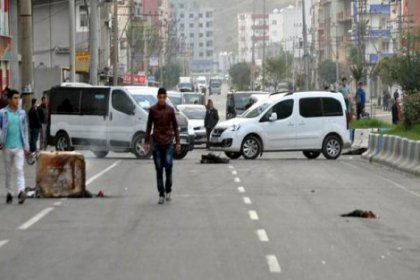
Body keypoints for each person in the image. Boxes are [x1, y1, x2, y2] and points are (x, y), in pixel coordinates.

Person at [144, 88, 180, 205]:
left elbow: (175, 126)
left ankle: (168, 189)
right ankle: (161, 194)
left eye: (164, 97)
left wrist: (178, 142)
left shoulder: (170, 110)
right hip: (157, 144)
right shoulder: (153, 110)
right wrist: (147, 142)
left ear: (166, 98)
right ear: (157, 97)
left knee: (168, 167)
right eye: (160, 97)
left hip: (168, 143)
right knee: (159, 170)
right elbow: (149, 126)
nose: (162, 99)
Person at [0, 89, 29, 204]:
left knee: (19, 169)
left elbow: (25, 130)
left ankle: (21, 191)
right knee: (8, 171)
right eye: (15, 98)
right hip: (7, 146)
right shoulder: (2, 113)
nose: (17, 101)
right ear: (9, 99)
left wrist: (26, 146)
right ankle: (10, 192)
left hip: (19, 147)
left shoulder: (22, 113)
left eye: (18, 98)